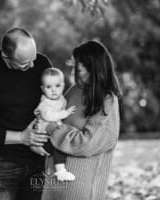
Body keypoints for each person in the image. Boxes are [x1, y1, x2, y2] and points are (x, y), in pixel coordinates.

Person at [0, 27, 52, 200]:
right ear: (6, 56)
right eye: (24, 63)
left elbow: (53, 100)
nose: (32, 66)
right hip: (0, 163)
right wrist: (22, 137)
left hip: (37, 162)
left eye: (33, 58)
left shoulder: (42, 64)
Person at [40, 40, 122, 200]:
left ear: (92, 69)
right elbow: (48, 116)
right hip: (53, 184)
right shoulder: (75, 90)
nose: (73, 71)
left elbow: (86, 143)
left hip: (79, 190)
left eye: (77, 68)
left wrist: (53, 129)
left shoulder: (107, 100)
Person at [33, 68, 76, 181]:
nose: (53, 90)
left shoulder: (62, 99)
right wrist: (65, 113)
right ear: (42, 89)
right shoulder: (44, 104)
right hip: (42, 137)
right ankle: (61, 171)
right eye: (48, 87)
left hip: (51, 133)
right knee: (59, 146)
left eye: (57, 86)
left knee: (61, 142)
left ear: (63, 85)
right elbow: (48, 117)